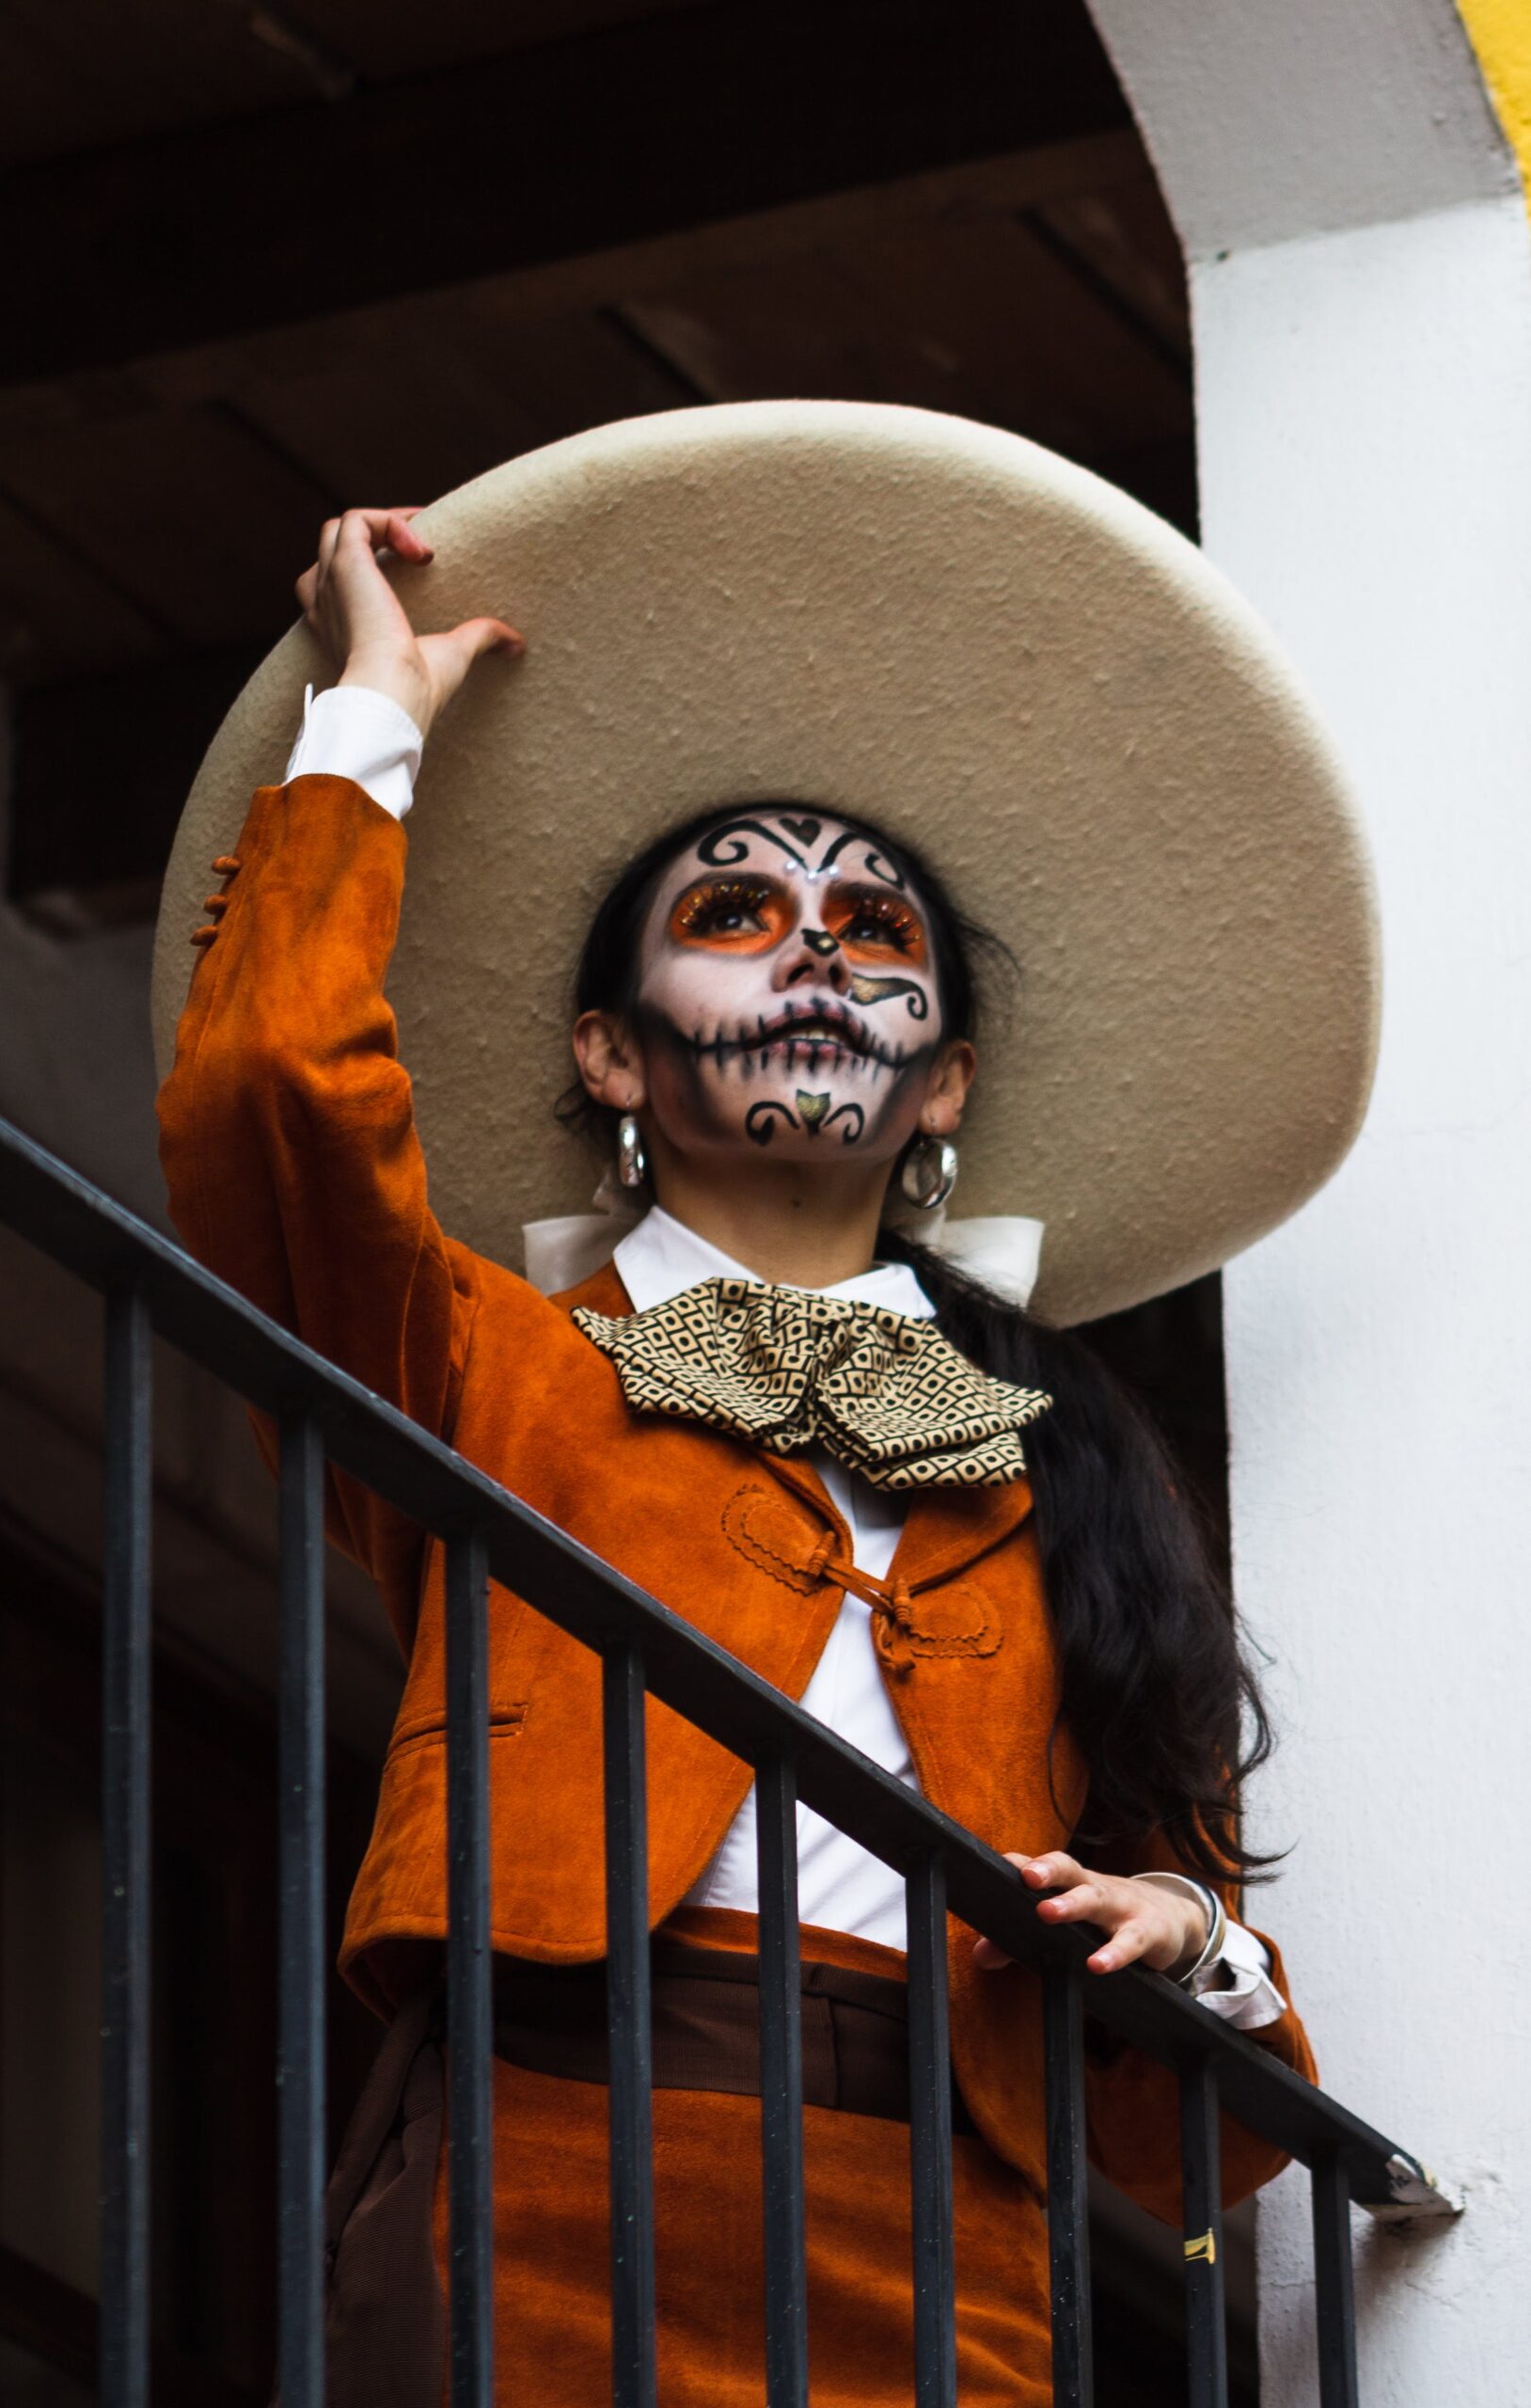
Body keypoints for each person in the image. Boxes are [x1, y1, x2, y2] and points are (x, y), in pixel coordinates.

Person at [157, 414, 1358, 2404]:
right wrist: (371, 713)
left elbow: (1196, 2114)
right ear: (609, 1055)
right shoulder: (487, 1360)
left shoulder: (1058, 1460)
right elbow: (271, 1094)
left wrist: (1188, 1930)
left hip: (952, 2222)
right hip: (546, 2159)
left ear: (944, 1081)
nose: (812, 951)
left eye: (872, 934)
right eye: (733, 918)